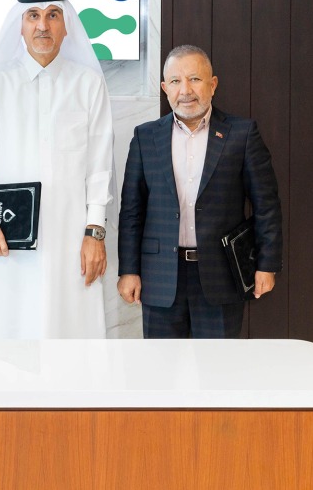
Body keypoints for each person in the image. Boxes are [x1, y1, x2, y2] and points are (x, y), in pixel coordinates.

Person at [0, 0, 114, 339]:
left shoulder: (88, 84)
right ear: (20, 25)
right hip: (6, 239)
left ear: (66, 26)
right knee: (8, 337)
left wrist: (94, 233)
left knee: (71, 336)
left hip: (71, 238)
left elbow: (100, 166)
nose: (42, 26)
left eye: (52, 16)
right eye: (33, 16)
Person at [118, 44, 283, 338]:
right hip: (160, 276)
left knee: (217, 366)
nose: (186, 90)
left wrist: (266, 265)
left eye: (194, 79)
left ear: (213, 84)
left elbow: (266, 206)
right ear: (165, 88)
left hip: (221, 276)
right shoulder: (145, 137)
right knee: (160, 365)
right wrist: (128, 271)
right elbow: (132, 211)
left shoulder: (242, 134)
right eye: (176, 81)